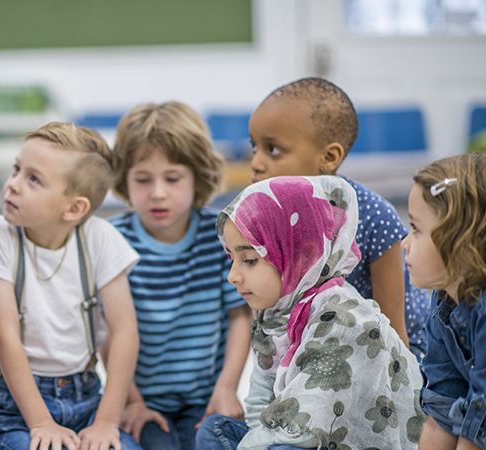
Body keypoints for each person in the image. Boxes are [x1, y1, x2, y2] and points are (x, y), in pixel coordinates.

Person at [197, 175, 425, 450]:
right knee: (215, 429)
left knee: (285, 447)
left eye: (249, 260)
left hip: (337, 438)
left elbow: (307, 428)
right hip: (297, 433)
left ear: (298, 255)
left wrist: (251, 445)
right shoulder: (276, 313)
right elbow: (259, 401)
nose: (233, 276)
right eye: (232, 259)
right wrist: (256, 440)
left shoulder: (342, 319)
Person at [0, 122, 142, 450]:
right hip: (14, 404)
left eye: (33, 179)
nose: (13, 184)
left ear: (74, 208)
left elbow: (125, 332)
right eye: (17, 169)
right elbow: (5, 337)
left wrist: (106, 422)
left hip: (87, 397)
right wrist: (42, 423)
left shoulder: (100, 238)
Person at [247, 77, 430, 358]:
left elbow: (395, 335)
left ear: (329, 157)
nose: (256, 163)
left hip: (387, 350)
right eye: (254, 147)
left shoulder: (374, 217)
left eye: (273, 149)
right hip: (319, 346)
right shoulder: (269, 215)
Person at [108, 102, 253, 450]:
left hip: (204, 400)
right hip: (141, 401)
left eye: (172, 178)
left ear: (197, 177)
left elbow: (240, 317)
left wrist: (226, 389)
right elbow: (107, 331)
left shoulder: (219, 234)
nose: (158, 192)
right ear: (125, 180)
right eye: (143, 179)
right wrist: (131, 401)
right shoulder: (111, 241)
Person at [402, 154, 486, 450]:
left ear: (462, 242)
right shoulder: (444, 301)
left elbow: (479, 426)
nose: (405, 242)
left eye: (415, 228)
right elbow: (442, 413)